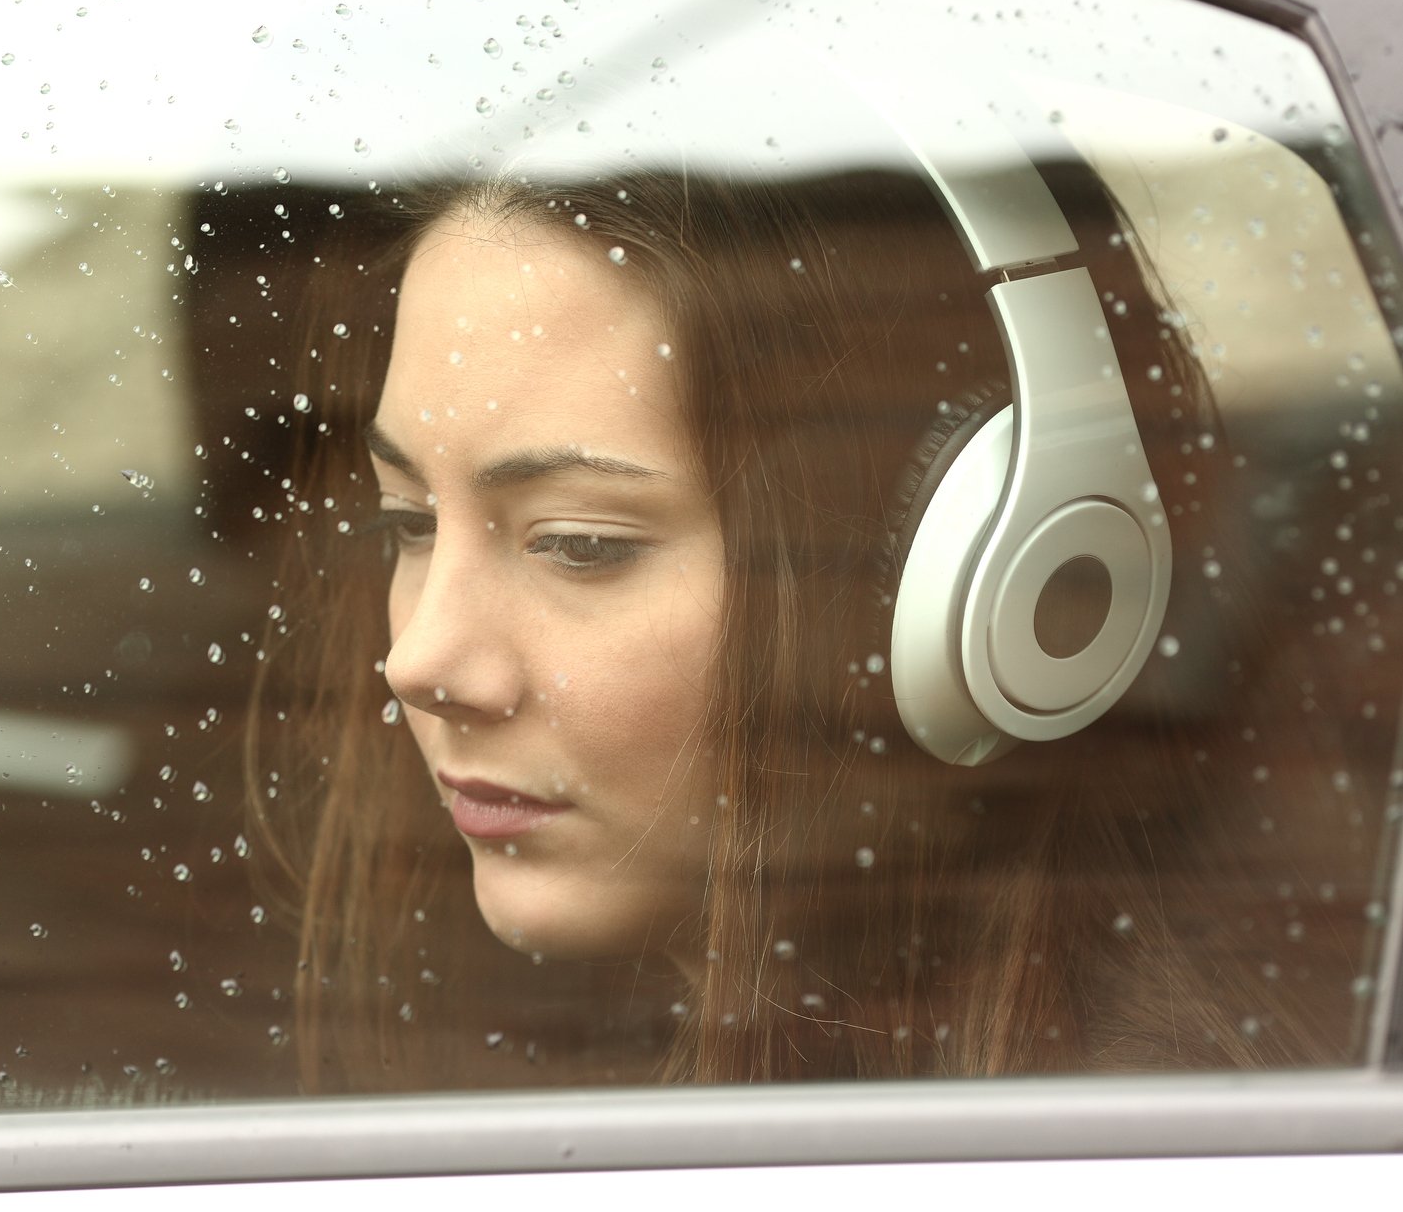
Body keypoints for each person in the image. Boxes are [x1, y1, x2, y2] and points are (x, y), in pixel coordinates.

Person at [245, 160, 1382, 1092]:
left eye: (581, 542)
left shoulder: (1144, 1144)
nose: (420, 660)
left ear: (966, 583)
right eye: (407, 521)